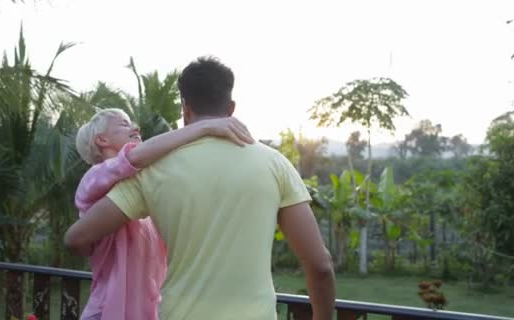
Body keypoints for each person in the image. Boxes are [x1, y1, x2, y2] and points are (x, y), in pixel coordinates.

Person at [65, 57, 336, 320]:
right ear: (230, 108)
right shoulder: (274, 163)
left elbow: (77, 238)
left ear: (185, 107)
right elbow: (320, 265)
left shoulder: (153, 172)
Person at [73, 108, 254, 320]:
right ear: (102, 140)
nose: (135, 128)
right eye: (123, 124)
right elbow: (135, 157)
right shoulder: (93, 179)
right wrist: (204, 127)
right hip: (107, 313)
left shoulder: (142, 190)